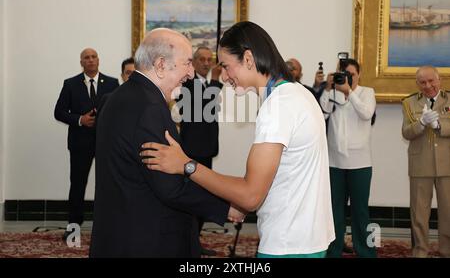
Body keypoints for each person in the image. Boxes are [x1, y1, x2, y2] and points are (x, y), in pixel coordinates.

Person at [141, 21, 335, 258]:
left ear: (249, 59)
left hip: (288, 243)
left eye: (225, 66)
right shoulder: (298, 94)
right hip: (308, 238)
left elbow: (250, 196)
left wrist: (186, 165)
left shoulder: (278, 107)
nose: (223, 76)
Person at [89, 28, 241, 258]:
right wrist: (225, 206)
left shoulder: (118, 97)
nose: (191, 73)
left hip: (118, 232)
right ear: (161, 65)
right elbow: (170, 187)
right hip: (148, 239)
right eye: (187, 63)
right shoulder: (150, 108)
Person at [54, 48, 119, 240]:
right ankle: (73, 226)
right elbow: (58, 112)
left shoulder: (112, 83)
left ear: (99, 60)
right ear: (81, 62)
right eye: (86, 58)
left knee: (108, 184)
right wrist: (80, 120)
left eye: (93, 57)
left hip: (105, 143)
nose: (90, 60)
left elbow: (117, 111)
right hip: (79, 143)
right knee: (78, 185)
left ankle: (108, 225)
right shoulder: (70, 84)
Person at [319, 58, 377, 258]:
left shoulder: (367, 92)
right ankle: (333, 251)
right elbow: (322, 114)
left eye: (351, 74)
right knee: (335, 212)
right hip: (334, 162)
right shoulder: (332, 92)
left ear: (359, 74)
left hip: (360, 163)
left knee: (360, 212)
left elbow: (366, 113)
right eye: (344, 75)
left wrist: (349, 92)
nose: (348, 78)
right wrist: (328, 88)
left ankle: (366, 252)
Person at [176, 46, 223, 256]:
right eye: (201, 59)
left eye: (209, 59)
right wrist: (215, 81)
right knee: (193, 197)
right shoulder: (186, 82)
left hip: (207, 148)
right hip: (192, 149)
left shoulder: (205, 83)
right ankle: (189, 243)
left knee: (204, 195)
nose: (206, 63)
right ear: (193, 62)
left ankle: (194, 241)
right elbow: (201, 109)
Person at [401, 66, 450, 258]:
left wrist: (440, 125)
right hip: (420, 165)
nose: (428, 86)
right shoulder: (409, 102)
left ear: (439, 80)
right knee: (419, 214)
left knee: (448, 212)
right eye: (422, 82)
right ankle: (420, 251)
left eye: (431, 81)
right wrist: (420, 124)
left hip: (447, 165)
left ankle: (447, 250)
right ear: (417, 84)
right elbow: (406, 132)